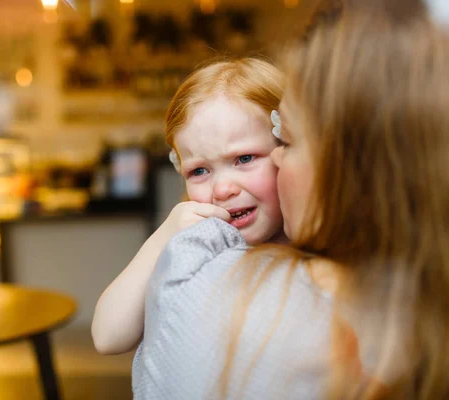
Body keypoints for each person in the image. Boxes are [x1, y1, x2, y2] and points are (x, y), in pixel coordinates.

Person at [132, 2, 449, 399]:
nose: (277, 157)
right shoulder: (417, 309)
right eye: (199, 170)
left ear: (355, 171)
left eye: (287, 140)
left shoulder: (213, 296)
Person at [92, 58, 286, 355]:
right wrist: (162, 238)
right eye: (199, 171)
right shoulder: (198, 247)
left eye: (244, 159)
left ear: (288, 147)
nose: (222, 189)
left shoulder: (319, 243)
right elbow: (108, 337)